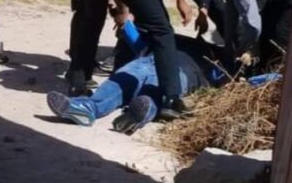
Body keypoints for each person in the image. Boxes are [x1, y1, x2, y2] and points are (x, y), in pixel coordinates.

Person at [46, 36, 215, 135]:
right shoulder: (164, 34)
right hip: (148, 61)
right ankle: (84, 109)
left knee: (151, 93)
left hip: (177, 73)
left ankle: (140, 112)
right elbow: (131, 31)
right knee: (119, 83)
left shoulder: (212, 58)